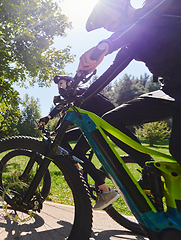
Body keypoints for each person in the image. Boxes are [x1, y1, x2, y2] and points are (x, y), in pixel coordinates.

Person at [77, 0, 181, 189]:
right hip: (170, 90)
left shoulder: (157, 5)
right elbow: (108, 75)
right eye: (103, 25)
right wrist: (77, 95)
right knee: (110, 120)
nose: (107, 26)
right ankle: (150, 171)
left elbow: (140, 23)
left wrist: (105, 45)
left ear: (123, 5)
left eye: (107, 17)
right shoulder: (131, 45)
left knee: (178, 147)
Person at [38, 76, 120, 210]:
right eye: (58, 85)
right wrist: (48, 119)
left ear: (70, 83)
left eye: (61, 83)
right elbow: (62, 112)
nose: (59, 86)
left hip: (101, 124)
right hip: (89, 126)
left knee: (78, 153)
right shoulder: (72, 98)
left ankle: (105, 190)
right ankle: (76, 168)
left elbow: (64, 106)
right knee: (62, 138)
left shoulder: (80, 90)